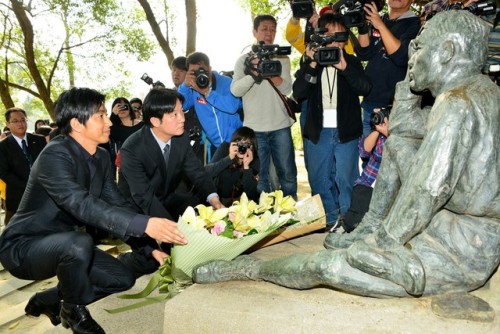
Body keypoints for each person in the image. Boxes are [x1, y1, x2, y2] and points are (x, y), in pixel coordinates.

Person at [192, 10, 500, 299]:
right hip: (460, 227)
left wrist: (383, 245)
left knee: (326, 265)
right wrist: (409, 81)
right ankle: (369, 226)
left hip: (460, 249)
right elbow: (404, 130)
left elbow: (430, 189)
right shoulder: (480, 90)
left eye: (419, 47)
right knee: (396, 144)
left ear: (446, 52)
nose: (411, 53)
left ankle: (253, 269)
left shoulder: (458, 103)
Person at [0, 87, 187, 333]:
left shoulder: (100, 157)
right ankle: (73, 311)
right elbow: (81, 204)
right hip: (24, 247)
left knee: (122, 279)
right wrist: (147, 224)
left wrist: (151, 249)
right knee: (79, 242)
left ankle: (53, 298)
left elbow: (117, 203)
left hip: (70, 245)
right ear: (77, 124)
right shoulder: (54, 155)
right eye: (100, 115)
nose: (109, 121)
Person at [117, 87, 224, 277]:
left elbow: (197, 172)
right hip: (136, 208)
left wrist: (215, 201)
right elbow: (144, 197)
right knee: (151, 261)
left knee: (194, 211)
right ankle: (123, 260)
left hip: (164, 198)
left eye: (181, 111)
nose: (182, 118)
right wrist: (175, 231)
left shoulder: (180, 137)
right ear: (155, 121)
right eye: (174, 114)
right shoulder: (132, 149)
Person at [293, 13, 372, 229]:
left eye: (339, 36)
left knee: (346, 179)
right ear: (320, 38)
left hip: (345, 130)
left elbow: (364, 88)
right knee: (319, 180)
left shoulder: (352, 61)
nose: (335, 41)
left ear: (345, 39)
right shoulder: (311, 62)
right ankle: (330, 220)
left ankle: (348, 222)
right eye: (328, 36)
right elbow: (298, 92)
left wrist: (345, 67)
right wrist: (311, 64)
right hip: (320, 131)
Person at [231, 14, 298, 199]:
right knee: (261, 178)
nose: (269, 33)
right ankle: (264, 218)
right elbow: (235, 90)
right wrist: (253, 74)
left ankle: (293, 216)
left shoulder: (282, 58)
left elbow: (287, 88)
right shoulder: (243, 61)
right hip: (254, 129)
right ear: (254, 32)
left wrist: (270, 73)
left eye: (273, 29)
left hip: (280, 126)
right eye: (264, 29)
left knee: (288, 175)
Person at [356, 0, 420, 136]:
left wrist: (379, 25)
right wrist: (362, 26)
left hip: (394, 107)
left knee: (390, 154)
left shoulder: (415, 23)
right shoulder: (380, 18)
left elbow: (401, 56)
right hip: (369, 101)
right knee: (367, 154)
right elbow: (364, 53)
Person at [178, 52, 243, 152]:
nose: (198, 74)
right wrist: (185, 86)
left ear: (210, 68)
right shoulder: (193, 88)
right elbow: (182, 105)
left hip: (236, 141)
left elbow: (232, 107)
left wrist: (207, 93)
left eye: (201, 70)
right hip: (214, 145)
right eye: (193, 72)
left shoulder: (226, 82)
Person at [342, 108, 389, 232]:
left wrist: (389, 132)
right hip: (369, 182)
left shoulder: (404, 136)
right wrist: (378, 130)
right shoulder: (378, 134)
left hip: (389, 187)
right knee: (353, 222)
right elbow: (364, 151)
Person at [0, 107, 46, 224]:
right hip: (18, 198)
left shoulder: (39, 140)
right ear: (8, 124)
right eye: (15, 121)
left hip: (43, 194)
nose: (20, 123)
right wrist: (29, 186)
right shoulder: (3, 146)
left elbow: (47, 164)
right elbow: (5, 173)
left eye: (23, 120)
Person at [205, 126, 260, 206]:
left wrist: (246, 167)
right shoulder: (225, 148)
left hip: (240, 204)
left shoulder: (254, 160)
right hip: (217, 201)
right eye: (239, 143)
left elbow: (251, 193)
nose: (242, 147)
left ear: (252, 147)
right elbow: (206, 173)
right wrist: (229, 158)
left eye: (247, 144)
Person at [171, 55, 205, 164]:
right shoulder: (168, 94)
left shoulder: (198, 92)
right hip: (175, 146)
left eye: (180, 71)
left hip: (198, 146)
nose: (176, 73)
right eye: (174, 70)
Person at [109, 97, 144, 176]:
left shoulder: (143, 125)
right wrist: (113, 114)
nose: (122, 109)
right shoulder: (116, 129)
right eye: (118, 107)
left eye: (125, 106)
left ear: (130, 108)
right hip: (127, 165)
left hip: (144, 162)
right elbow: (109, 132)